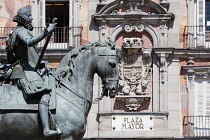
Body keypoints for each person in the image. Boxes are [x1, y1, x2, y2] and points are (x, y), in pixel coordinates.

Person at [6, 5, 60, 137]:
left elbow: (29, 54)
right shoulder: (20, 31)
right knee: (44, 94)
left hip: (28, 67)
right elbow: (29, 42)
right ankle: (46, 129)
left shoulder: (21, 30)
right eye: (29, 16)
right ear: (23, 17)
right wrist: (46, 32)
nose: (31, 19)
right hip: (24, 70)